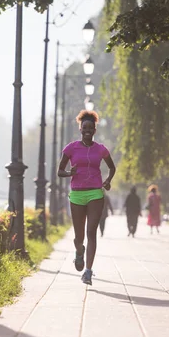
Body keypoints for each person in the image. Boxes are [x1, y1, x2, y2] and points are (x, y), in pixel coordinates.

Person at [58, 110, 116, 286]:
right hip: (76, 195)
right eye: (85, 127)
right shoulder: (71, 148)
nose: (88, 130)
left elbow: (112, 168)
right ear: (80, 129)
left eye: (91, 128)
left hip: (95, 194)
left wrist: (107, 181)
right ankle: (79, 251)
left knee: (91, 232)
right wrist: (70, 173)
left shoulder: (101, 149)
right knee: (78, 237)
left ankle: (88, 271)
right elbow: (59, 172)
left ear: (95, 130)